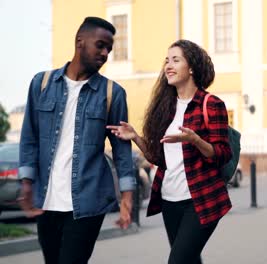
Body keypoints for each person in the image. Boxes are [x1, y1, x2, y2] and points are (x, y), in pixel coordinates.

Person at [18, 17, 135, 264]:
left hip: (87, 201)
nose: (105, 54)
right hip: (46, 200)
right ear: (80, 42)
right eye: (100, 45)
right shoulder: (42, 83)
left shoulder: (113, 94)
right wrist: (26, 182)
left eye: (109, 50)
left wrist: (127, 197)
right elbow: (29, 137)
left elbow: (122, 151)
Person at [107, 39, 232, 264]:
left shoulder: (211, 104)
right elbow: (157, 158)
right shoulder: (166, 107)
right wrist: (135, 136)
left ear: (191, 67)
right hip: (169, 200)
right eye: (167, 60)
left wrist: (194, 140)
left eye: (176, 60)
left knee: (178, 261)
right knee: (189, 260)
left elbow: (222, 153)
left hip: (200, 200)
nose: (168, 65)